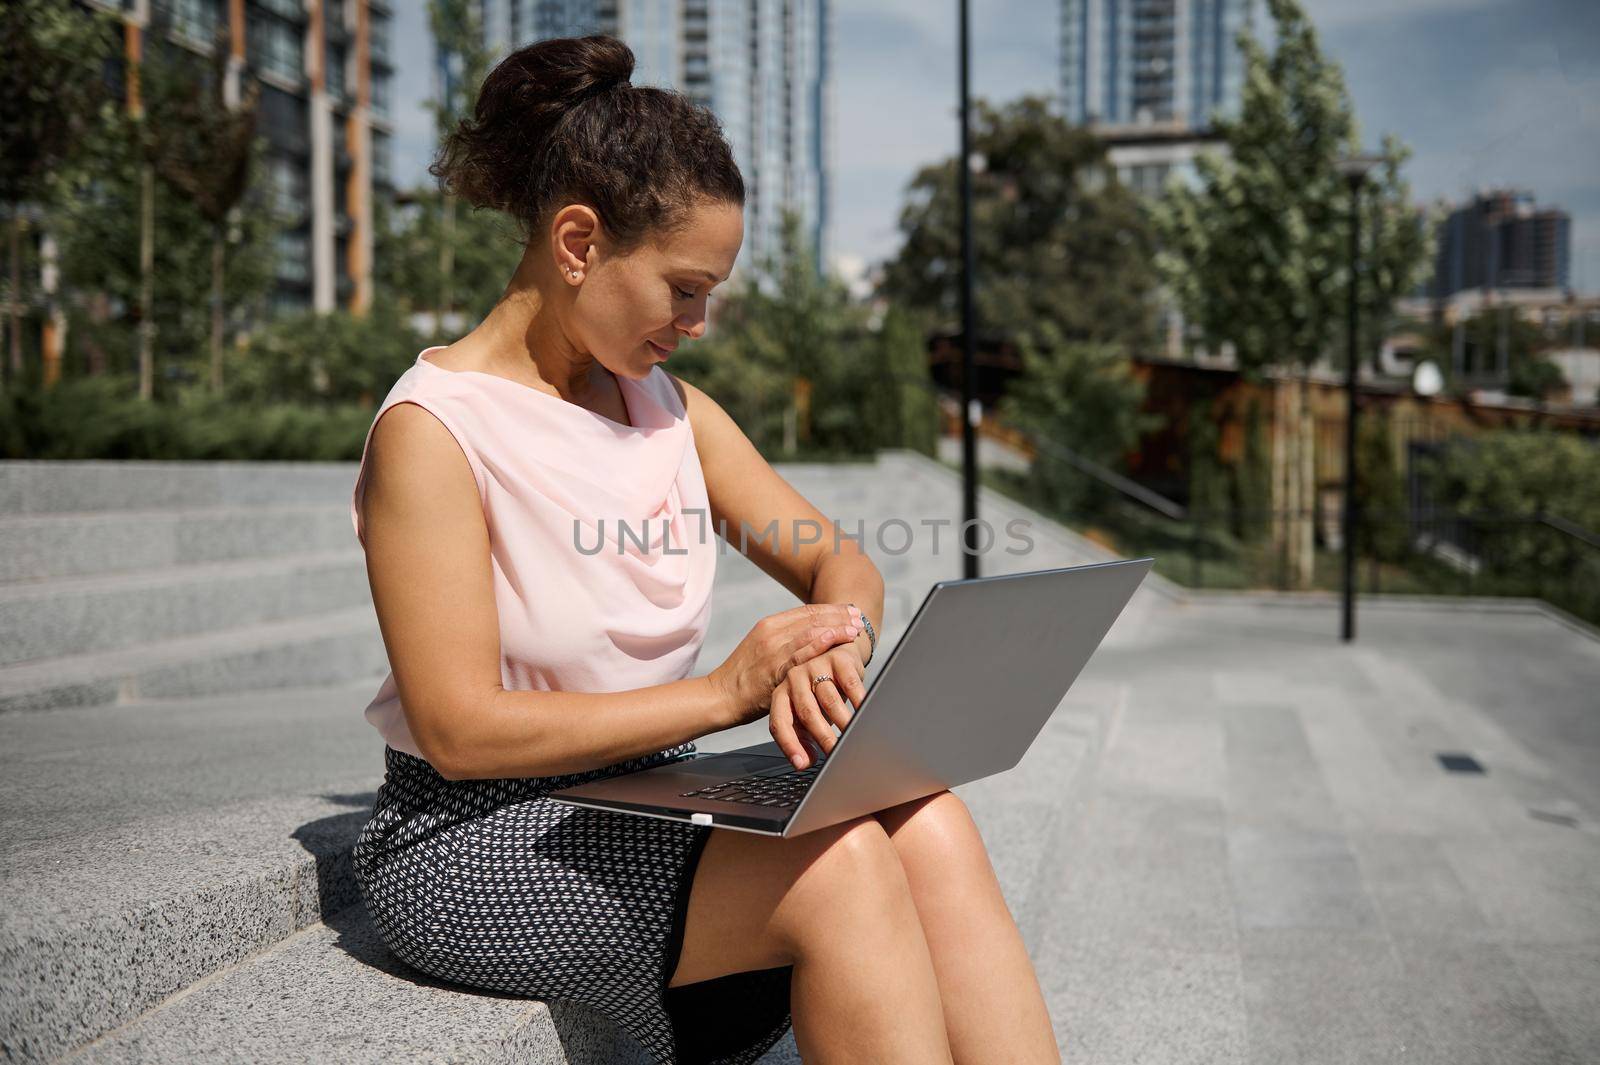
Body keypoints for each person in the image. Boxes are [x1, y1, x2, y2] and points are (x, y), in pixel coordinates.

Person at [347, 34, 1058, 1065]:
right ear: (579, 242)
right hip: (468, 837)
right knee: (842, 865)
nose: (700, 321)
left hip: (642, 791)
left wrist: (835, 638)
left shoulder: (670, 411)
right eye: (685, 288)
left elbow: (836, 561)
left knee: (928, 818)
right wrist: (730, 692)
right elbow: (459, 732)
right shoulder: (435, 431)